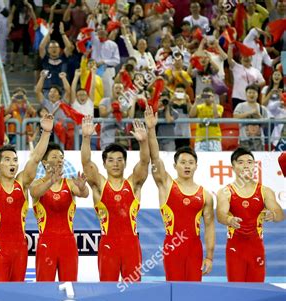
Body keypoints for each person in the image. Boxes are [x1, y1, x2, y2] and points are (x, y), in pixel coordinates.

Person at [0, 112, 54, 281]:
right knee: (0, 292)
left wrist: (46, 132)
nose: (13, 163)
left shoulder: (22, 183)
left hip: (20, 247)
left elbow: (35, 159)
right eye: (8, 160)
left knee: (18, 290)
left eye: (15, 160)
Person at [146, 107, 215, 281]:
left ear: (196, 166)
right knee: (174, 292)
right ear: (175, 165)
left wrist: (210, 256)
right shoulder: (167, 185)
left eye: (191, 162)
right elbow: (155, 158)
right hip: (172, 248)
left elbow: (209, 227)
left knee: (194, 293)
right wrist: (151, 130)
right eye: (183, 162)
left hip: (195, 248)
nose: (187, 166)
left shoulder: (205, 195)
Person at [81, 114, 149, 282]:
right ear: (104, 164)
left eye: (119, 160)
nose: (116, 163)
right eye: (111, 160)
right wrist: (86, 137)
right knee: (107, 289)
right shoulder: (100, 185)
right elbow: (86, 163)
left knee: (133, 291)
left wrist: (143, 142)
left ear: (125, 163)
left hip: (131, 246)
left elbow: (144, 162)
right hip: (108, 245)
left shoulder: (133, 184)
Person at [217, 148, 284, 282]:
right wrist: (229, 219)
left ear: (254, 166)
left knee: (258, 290)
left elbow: (280, 214)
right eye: (241, 162)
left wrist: (273, 215)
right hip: (235, 249)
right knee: (237, 291)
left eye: (249, 162)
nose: (246, 165)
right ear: (233, 167)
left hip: (256, 249)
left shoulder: (265, 191)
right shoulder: (225, 192)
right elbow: (220, 214)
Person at [30, 143, 89, 282]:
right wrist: (50, 181)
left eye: (61, 157)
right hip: (46, 244)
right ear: (44, 162)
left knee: (70, 286)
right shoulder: (36, 184)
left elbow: (84, 194)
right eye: (54, 157)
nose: (59, 160)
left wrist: (82, 187)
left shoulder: (69, 183)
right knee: (44, 288)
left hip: (68, 244)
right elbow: (35, 192)